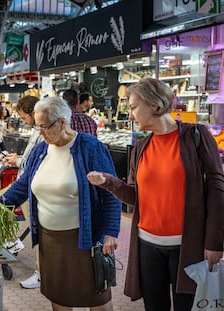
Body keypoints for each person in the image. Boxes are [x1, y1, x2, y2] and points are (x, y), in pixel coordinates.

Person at [87, 77, 224, 311]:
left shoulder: (196, 136)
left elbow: (217, 189)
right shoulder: (141, 147)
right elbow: (134, 196)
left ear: (154, 104)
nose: (130, 114)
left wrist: (214, 242)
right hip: (147, 245)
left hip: (187, 246)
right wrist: (108, 182)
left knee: (188, 306)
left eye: (133, 107)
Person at [0, 96, 122, 311]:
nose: (40, 133)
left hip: (85, 237)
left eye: (44, 127)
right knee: (59, 295)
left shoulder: (90, 148)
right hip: (50, 239)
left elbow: (110, 193)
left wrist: (111, 232)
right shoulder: (40, 151)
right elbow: (23, 185)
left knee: (97, 296)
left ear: (62, 123)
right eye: (38, 127)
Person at [4, 95, 43, 289]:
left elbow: (35, 163)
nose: (24, 122)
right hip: (24, 184)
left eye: (24, 117)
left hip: (33, 189)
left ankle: (41, 273)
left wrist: (17, 161)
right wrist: (18, 159)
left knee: (38, 231)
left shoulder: (45, 133)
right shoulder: (37, 131)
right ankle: (11, 241)